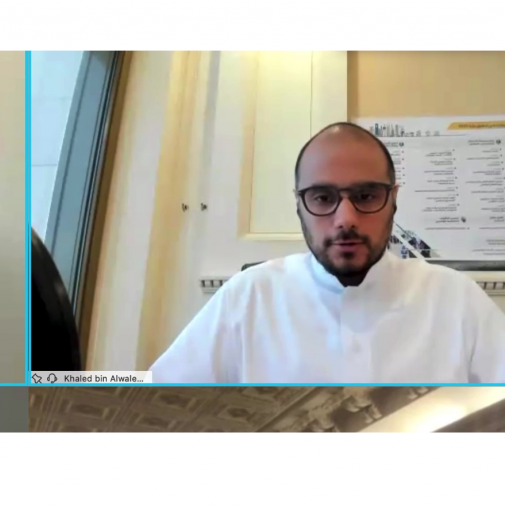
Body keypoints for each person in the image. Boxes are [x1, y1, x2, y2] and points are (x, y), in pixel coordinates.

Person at [150, 122, 505, 383]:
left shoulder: (458, 299)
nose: (345, 219)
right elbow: (153, 393)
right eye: (322, 197)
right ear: (299, 204)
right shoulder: (248, 295)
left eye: (366, 196)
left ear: (393, 199)